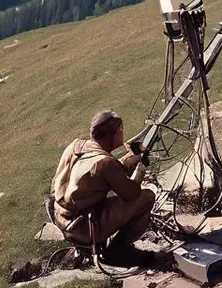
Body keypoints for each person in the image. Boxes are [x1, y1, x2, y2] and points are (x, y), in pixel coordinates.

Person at [50, 109, 156, 265]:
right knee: (146, 197)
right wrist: (140, 169)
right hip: (83, 228)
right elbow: (131, 194)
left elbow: (93, 174)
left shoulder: (76, 146)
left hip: (62, 217)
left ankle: (103, 242)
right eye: (120, 131)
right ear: (110, 135)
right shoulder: (106, 164)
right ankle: (118, 249)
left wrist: (125, 163)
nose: (122, 134)